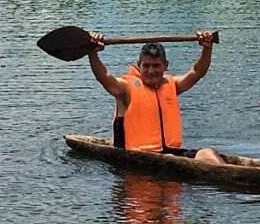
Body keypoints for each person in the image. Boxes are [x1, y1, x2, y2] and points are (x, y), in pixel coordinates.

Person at [88, 31, 222, 163]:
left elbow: (197, 72)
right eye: (146, 66)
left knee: (208, 153)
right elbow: (103, 77)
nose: (151, 71)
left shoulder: (172, 85)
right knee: (170, 159)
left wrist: (207, 48)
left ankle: (230, 174)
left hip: (169, 153)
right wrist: (92, 52)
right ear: (139, 65)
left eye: (156, 65)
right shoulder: (125, 89)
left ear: (165, 65)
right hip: (135, 155)